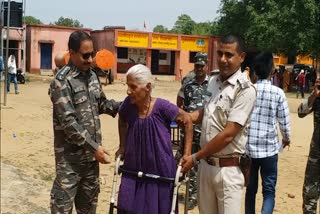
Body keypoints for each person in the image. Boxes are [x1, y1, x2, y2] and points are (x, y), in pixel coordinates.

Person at [181, 34, 257, 214]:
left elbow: (228, 134)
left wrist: (195, 157)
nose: (223, 59)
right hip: (205, 168)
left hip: (228, 171)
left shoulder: (245, 90)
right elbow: (207, 112)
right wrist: (189, 116)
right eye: (220, 53)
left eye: (229, 55)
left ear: (242, 57)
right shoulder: (213, 81)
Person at [49, 30, 121, 213]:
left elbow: (101, 104)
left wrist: (125, 105)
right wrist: (94, 147)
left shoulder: (92, 76)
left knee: (88, 209)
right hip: (70, 163)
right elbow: (69, 123)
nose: (90, 60)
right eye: (85, 55)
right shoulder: (62, 81)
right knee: (61, 210)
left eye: (92, 54)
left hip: (90, 162)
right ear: (72, 53)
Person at [116, 64, 193, 214]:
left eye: (133, 86)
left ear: (148, 87)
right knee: (127, 206)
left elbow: (188, 120)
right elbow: (121, 118)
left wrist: (187, 153)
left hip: (160, 170)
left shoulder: (162, 107)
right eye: (128, 86)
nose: (128, 91)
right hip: (133, 169)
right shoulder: (128, 105)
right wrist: (122, 145)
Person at [245, 52, 291, 214]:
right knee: (269, 191)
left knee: (250, 191)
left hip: (248, 150)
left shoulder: (247, 91)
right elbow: (284, 122)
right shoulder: (278, 93)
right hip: (270, 151)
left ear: (255, 71)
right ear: (272, 70)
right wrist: (286, 138)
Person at [176, 53, 212, 210]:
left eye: (201, 66)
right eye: (196, 66)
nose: (199, 68)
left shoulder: (212, 85)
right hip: (189, 132)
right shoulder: (188, 84)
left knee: (200, 165)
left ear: (206, 66)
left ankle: (195, 196)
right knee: (186, 161)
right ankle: (184, 194)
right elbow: (179, 103)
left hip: (205, 132)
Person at [298, 77, 320, 214]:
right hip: (316, 154)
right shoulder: (317, 97)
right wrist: (314, 95)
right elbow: (301, 112)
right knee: (310, 192)